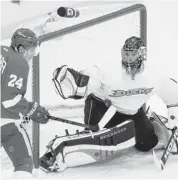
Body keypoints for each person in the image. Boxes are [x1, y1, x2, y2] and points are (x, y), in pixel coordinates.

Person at [40, 36, 178, 172]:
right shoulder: (108, 70)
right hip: (102, 107)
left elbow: (173, 95)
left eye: (133, 54)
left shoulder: (154, 74)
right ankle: (57, 154)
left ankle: (154, 123)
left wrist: (174, 120)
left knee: (148, 144)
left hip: (131, 112)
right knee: (97, 140)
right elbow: (83, 84)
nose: (129, 59)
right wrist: (71, 81)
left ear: (141, 54)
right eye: (126, 54)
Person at [1, 28, 50, 178]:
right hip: (5, 122)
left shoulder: (3, 52)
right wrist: (31, 109)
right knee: (23, 163)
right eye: (31, 50)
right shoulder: (18, 62)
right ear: (21, 48)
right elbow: (8, 99)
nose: (32, 55)